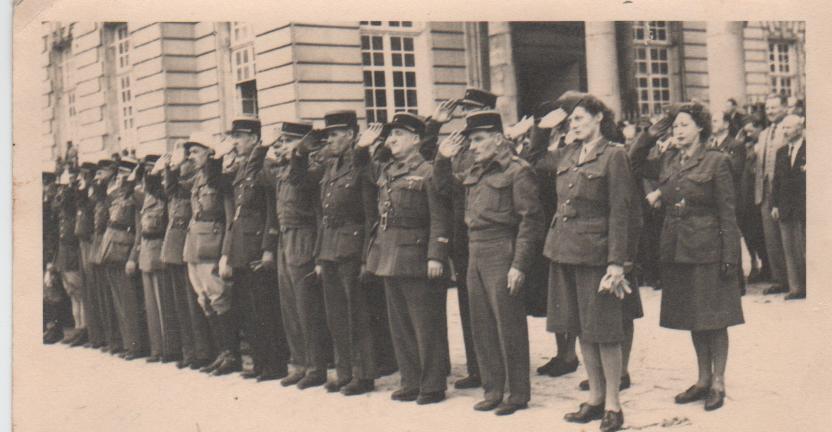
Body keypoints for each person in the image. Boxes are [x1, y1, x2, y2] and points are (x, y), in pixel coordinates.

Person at [527, 94, 636, 432]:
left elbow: (621, 212)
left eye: (578, 119)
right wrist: (541, 129)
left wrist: (616, 263)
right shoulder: (569, 153)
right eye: (571, 120)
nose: (572, 125)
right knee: (581, 329)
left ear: (598, 119)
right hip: (564, 252)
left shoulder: (614, 155)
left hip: (596, 255)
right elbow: (533, 159)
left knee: (604, 331)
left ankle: (614, 406)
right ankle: (595, 399)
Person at [630, 101, 744, 413]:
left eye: (683, 125)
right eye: (675, 126)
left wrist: (731, 257)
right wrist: (654, 131)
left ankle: (718, 381)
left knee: (715, 318)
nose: (678, 131)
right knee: (694, 316)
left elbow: (727, 212)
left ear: (700, 128)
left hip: (708, 249)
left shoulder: (717, 161)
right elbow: (634, 162)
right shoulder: (669, 158)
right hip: (677, 249)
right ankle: (702, 379)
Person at [435, 110, 545, 416]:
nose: (473, 146)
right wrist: (443, 159)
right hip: (476, 249)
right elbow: (444, 189)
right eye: (471, 140)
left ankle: (517, 392)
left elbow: (530, 221)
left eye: (479, 139)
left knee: (508, 324)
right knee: (481, 324)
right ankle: (493, 389)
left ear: (498, 139)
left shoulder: (517, 171)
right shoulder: (475, 170)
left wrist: (519, 264)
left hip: (502, 248)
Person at [357, 113, 452, 405]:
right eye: (390, 136)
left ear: (415, 140)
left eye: (398, 135)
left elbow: (440, 217)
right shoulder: (388, 170)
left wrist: (436, 255)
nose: (391, 141)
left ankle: (432, 385)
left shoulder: (428, 171)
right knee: (400, 326)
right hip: (389, 254)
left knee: (426, 325)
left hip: (418, 255)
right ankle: (410, 381)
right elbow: (362, 171)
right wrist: (362, 147)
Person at [293, 110, 377, 395]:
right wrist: (299, 154)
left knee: (356, 313)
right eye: (327, 135)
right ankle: (344, 371)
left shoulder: (362, 162)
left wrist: (366, 256)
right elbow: (301, 183)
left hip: (352, 245)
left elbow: (369, 214)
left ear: (351, 135)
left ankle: (363, 374)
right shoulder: (330, 164)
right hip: (329, 245)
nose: (329, 140)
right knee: (336, 315)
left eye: (334, 134)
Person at [425, 88, 498, 390]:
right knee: (470, 307)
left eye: (471, 109)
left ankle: (494, 368)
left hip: (483, 236)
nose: (465, 115)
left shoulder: (486, 147)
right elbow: (432, 166)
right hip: (461, 238)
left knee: (489, 308)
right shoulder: (461, 146)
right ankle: (478, 368)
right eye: (464, 110)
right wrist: (434, 126)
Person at [258, 122, 331, 389]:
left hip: (304, 236)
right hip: (285, 239)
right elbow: (262, 177)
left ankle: (316, 366)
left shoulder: (311, 168)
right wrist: (270, 154)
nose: (282, 146)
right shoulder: (283, 170)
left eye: (288, 142)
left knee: (306, 307)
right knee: (290, 307)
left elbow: (318, 209)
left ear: (302, 144)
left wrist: (319, 252)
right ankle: (299, 363)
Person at [220, 117, 290, 382]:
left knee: (265, 308)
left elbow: (272, 209)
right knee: (248, 309)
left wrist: (268, 248)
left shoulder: (264, 164)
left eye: (238, 137)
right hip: (241, 245)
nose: (234, 142)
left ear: (253, 139)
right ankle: (260, 362)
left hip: (258, 246)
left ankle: (275, 364)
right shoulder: (241, 167)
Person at [181, 131, 238, 376]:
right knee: (204, 299)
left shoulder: (219, 179)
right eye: (190, 152)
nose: (191, 157)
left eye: (195, 151)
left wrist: (226, 251)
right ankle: (220, 352)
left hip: (212, 246)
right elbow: (175, 182)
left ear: (209, 152)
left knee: (219, 298)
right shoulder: (198, 179)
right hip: (194, 246)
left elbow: (229, 218)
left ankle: (231, 353)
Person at [157, 144, 215, 370]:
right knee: (183, 304)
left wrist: (175, 168)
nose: (186, 160)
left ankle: (202, 352)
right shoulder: (187, 180)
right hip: (182, 245)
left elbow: (175, 190)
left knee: (194, 303)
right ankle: (190, 351)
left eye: (190, 156)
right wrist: (170, 168)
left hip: (193, 243)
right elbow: (169, 190)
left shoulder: (196, 178)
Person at [131, 155, 183, 363]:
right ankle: (157, 348)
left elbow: (155, 192)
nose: (148, 175)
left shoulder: (161, 191)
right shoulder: (146, 194)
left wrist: (154, 174)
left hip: (160, 245)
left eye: (151, 171)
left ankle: (170, 348)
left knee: (164, 302)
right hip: (147, 249)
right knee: (152, 303)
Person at [99, 157, 148, 360]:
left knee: (129, 302)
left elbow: (139, 229)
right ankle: (125, 343)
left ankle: (135, 346)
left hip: (125, 252)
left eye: (123, 174)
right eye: (118, 174)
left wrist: (132, 257)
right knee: (119, 301)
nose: (119, 178)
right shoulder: (118, 195)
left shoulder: (136, 195)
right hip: (112, 251)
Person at [755, 94, 789, 295]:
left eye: (774, 107)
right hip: (765, 191)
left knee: (788, 235)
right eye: (768, 108)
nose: (770, 111)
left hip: (783, 192)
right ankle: (779, 280)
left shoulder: (788, 130)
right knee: (771, 238)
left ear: (784, 108)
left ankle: (796, 279)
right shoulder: (764, 134)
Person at [90, 159, 124, 355]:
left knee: (114, 295)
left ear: (112, 171)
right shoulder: (103, 189)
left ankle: (118, 339)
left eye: (101, 172)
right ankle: (111, 339)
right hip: (103, 242)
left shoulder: (116, 189)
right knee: (105, 294)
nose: (98, 177)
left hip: (112, 241)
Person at [771, 114, 806, 300]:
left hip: (803, 206)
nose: (785, 131)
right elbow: (776, 181)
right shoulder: (781, 152)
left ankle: (811, 284)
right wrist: (774, 204)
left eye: (788, 127)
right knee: (789, 248)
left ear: (799, 128)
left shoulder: (810, 149)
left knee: (805, 247)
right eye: (783, 128)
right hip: (784, 206)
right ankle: (796, 288)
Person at [74, 162, 106, 348]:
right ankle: (94, 335)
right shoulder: (86, 192)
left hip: (93, 241)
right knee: (88, 290)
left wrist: (87, 189)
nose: (80, 178)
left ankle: (100, 336)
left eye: (84, 175)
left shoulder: (97, 192)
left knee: (95, 289)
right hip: (84, 242)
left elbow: (92, 211)